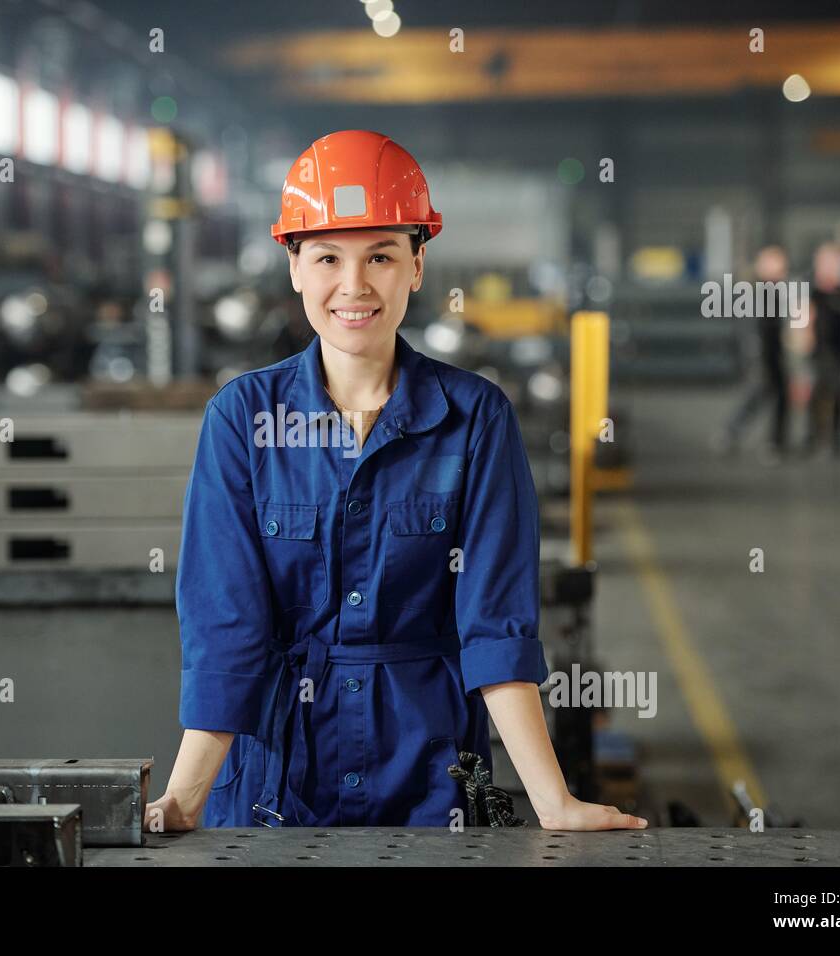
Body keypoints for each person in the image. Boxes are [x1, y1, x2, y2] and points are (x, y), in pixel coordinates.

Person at [147, 130, 646, 832]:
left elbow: (496, 627)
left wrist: (553, 803)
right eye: (326, 258)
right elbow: (227, 629)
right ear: (293, 267)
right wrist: (186, 797)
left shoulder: (474, 420)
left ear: (416, 264)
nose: (354, 286)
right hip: (275, 785)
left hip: (429, 779)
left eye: (380, 255)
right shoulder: (243, 420)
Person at [716, 245, 790, 462]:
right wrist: (757, 358)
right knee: (760, 393)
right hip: (761, 355)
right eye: (777, 263)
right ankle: (733, 432)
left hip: (773, 353)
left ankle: (774, 441)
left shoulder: (775, 290)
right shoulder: (756, 292)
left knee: (778, 396)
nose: (782, 269)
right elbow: (750, 329)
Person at [804, 243, 840, 456]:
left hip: (839, 350)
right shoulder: (813, 292)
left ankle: (834, 437)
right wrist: (806, 345)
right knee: (824, 391)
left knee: (837, 392)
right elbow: (806, 320)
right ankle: (814, 436)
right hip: (821, 350)